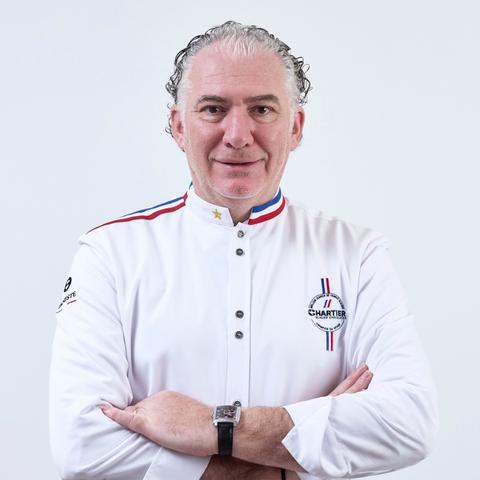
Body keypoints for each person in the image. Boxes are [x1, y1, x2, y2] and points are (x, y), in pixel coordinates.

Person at [49, 21, 439, 479]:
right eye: (214, 109)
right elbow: (81, 445)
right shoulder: (110, 255)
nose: (237, 134)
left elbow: (409, 422)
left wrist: (212, 427)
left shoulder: (356, 255)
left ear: (295, 127)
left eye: (262, 109)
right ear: (178, 126)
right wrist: (287, 463)